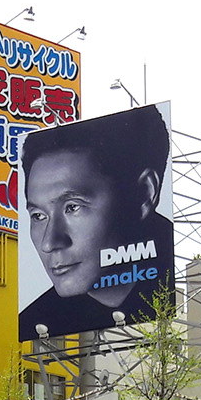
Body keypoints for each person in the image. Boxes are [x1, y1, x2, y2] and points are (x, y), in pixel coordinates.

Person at [18, 103, 174, 339]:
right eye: (38, 216)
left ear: (144, 194)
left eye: (72, 207)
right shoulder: (35, 320)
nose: (49, 242)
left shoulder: (183, 289)